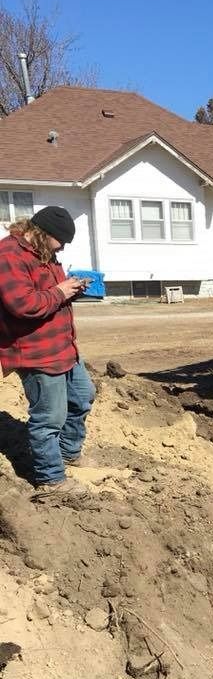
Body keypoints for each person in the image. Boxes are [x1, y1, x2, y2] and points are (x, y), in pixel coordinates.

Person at [0, 206, 95, 496]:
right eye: (60, 242)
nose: (63, 248)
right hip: (35, 351)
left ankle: (67, 452)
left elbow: (49, 294)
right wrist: (60, 292)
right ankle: (51, 480)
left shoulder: (45, 252)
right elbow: (22, 304)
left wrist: (72, 289)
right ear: (42, 233)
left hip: (62, 346)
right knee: (49, 417)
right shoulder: (8, 255)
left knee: (82, 396)